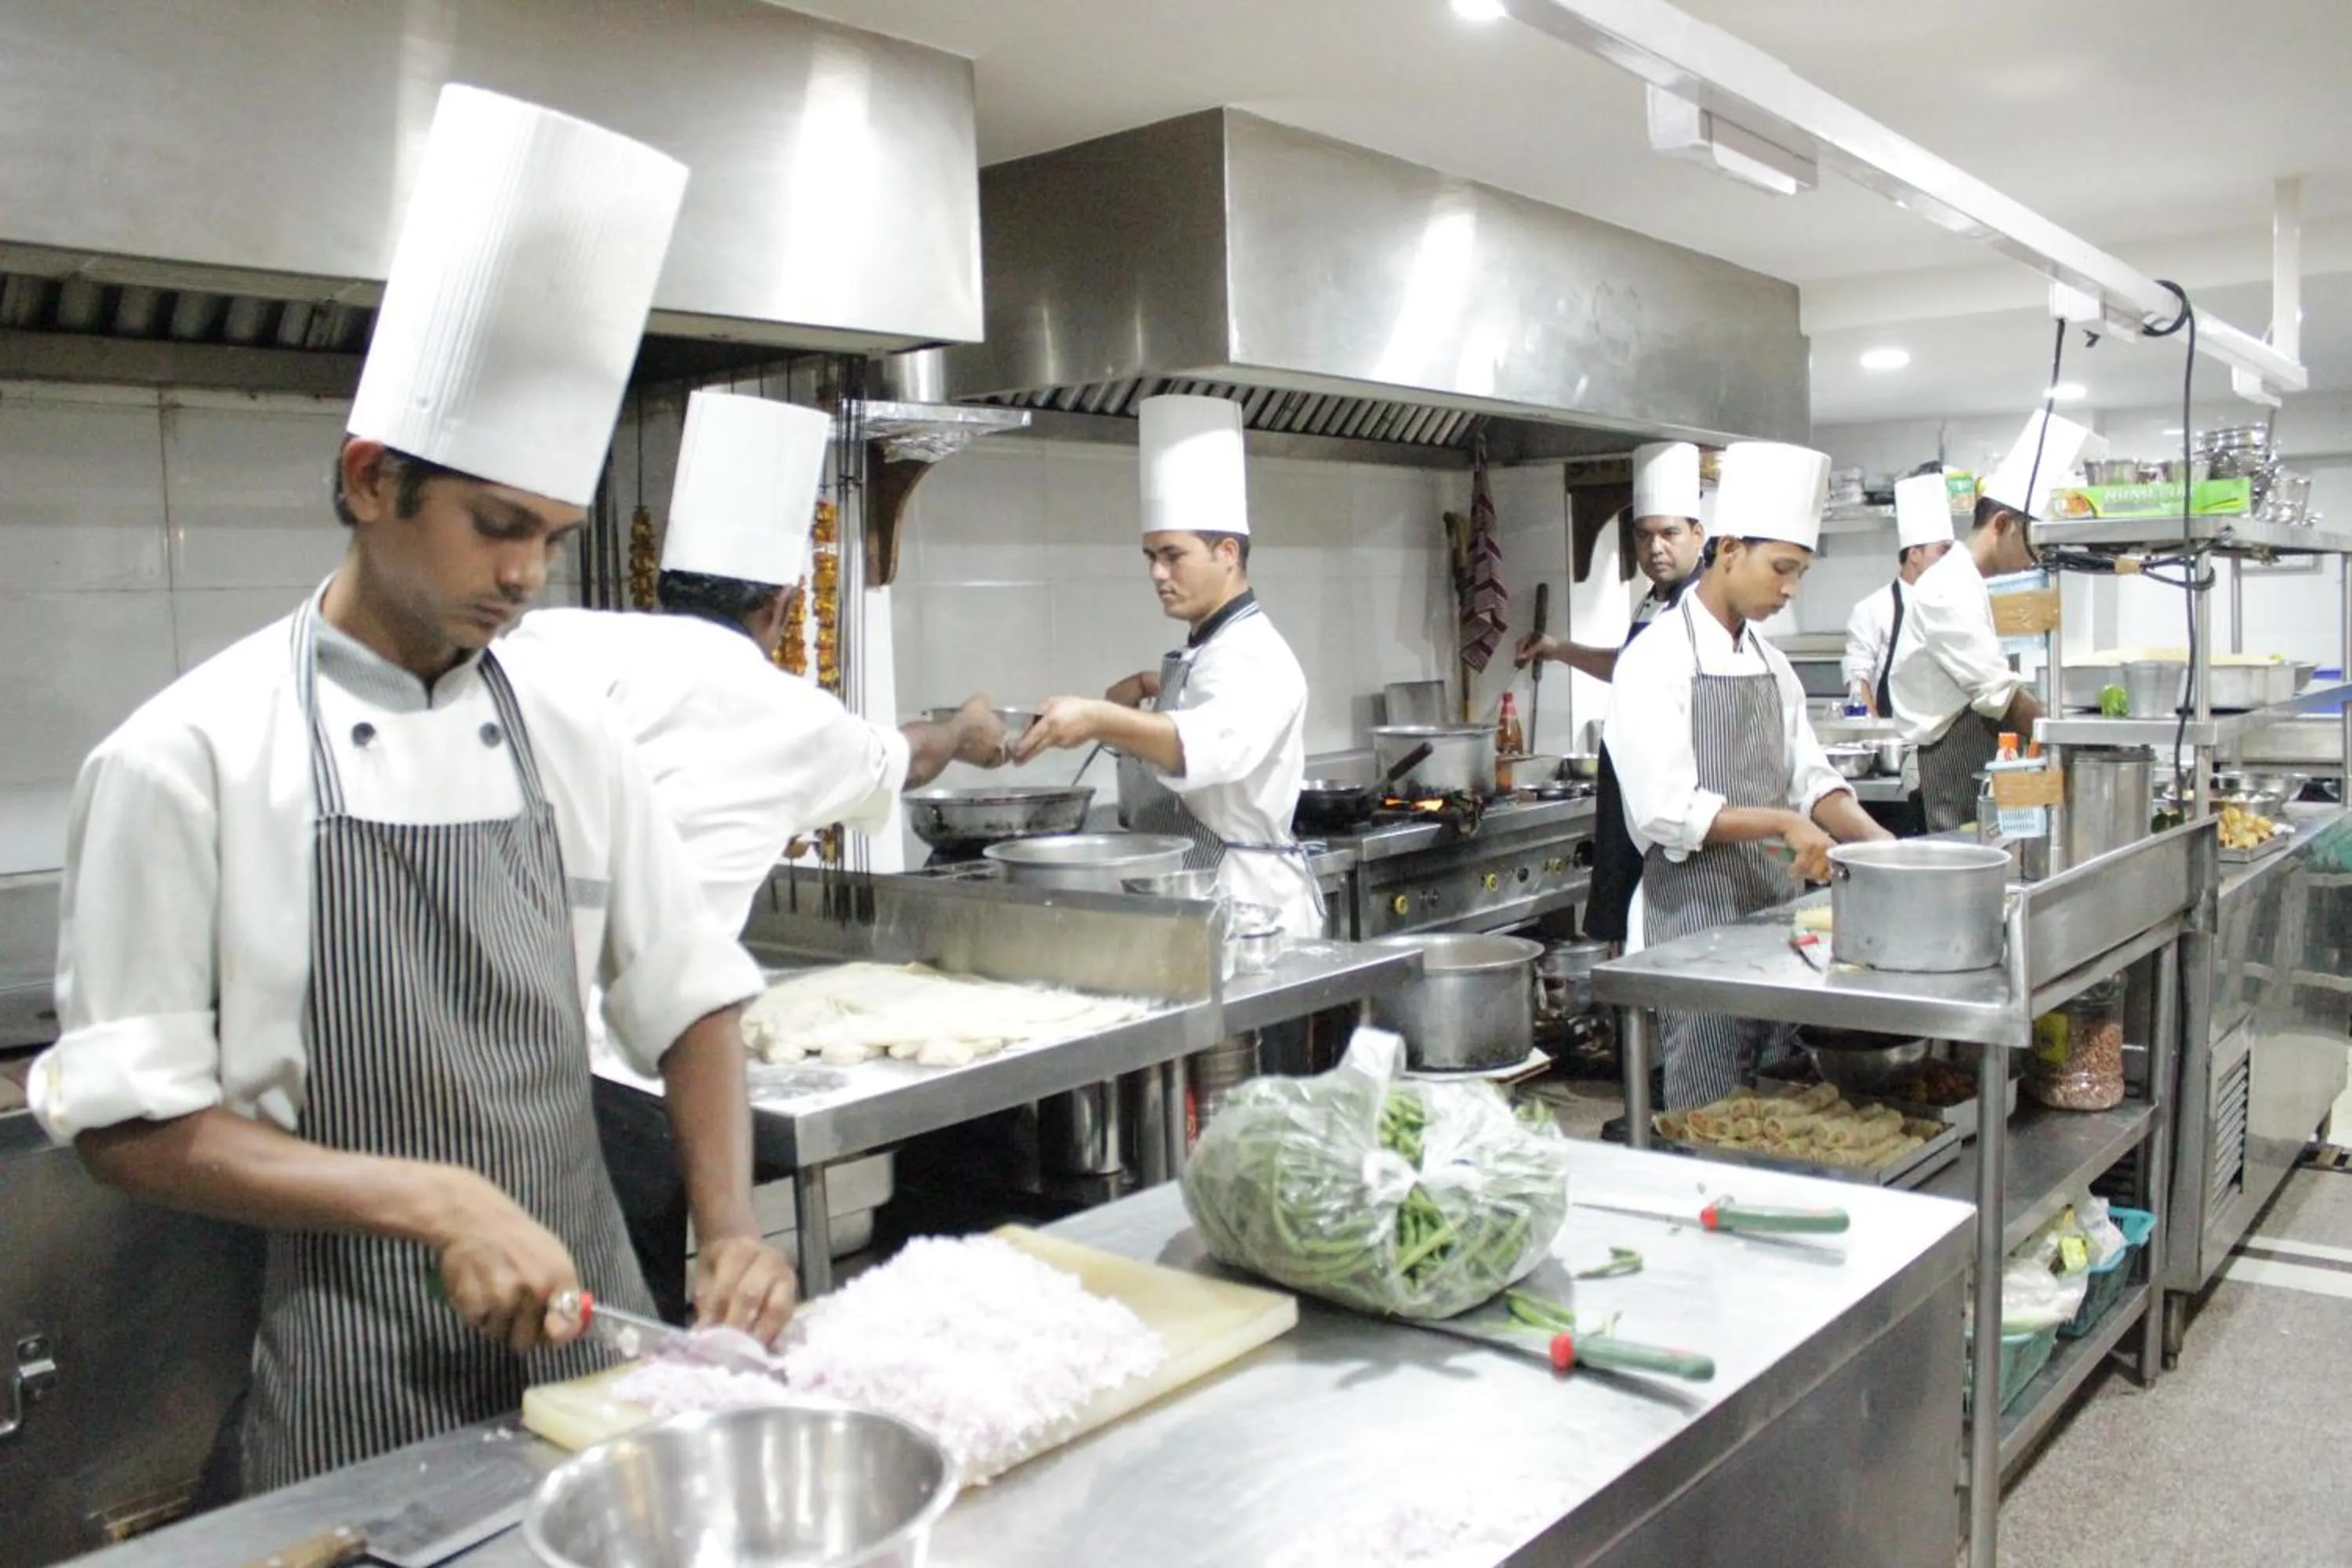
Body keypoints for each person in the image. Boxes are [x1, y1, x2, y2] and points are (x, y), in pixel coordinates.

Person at [24, 86, 793, 1493]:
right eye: (497, 526)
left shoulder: (566, 722)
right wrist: (430, 1200)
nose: (525, 575)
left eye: (552, 536)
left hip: (593, 1336)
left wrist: (731, 1227)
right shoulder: (188, 755)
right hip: (348, 1358)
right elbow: (132, 1130)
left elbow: (688, 994)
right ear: (373, 480)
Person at [499, 388, 1009, 1323]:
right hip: (625, 1093)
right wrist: (966, 728)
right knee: (616, 1349)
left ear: (664, 583)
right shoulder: (791, 713)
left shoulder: (549, 641)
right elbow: (904, 755)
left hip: (486, 1070)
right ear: (781, 606)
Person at [1606, 441, 1893, 1109]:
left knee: (1783, 1101)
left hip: (1774, 919)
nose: (1790, 589)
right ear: (1730, 550)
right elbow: (1664, 808)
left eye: (1801, 574)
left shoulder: (1772, 663)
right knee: (1707, 1111)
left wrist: (1879, 844)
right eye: (1782, 569)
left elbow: (1811, 777)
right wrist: (1784, 824)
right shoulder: (1654, 660)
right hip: (1693, 922)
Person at [1012, 394, 1318, 937]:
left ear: (1227, 553)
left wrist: (1097, 718)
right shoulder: (1216, 646)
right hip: (1212, 893)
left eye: (1173, 556)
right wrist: (1150, 683)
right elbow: (1217, 697)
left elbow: (1206, 747)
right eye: (1151, 557)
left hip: (1250, 906)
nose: (1157, 573)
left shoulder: (1252, 653)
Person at [1514, 441, 1706, 946]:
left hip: (1670, 798)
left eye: (1669, 534)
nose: (1655, 548)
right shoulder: (1653, 601)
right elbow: (1628, 667)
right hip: (1629, 787)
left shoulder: (1702, 608)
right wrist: (1558, 649)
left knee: (1665, 930)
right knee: (1631, 926)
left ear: (1698, 534)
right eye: (1643, 535)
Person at [1886, 412, 2102, 833]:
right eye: (2032, 542)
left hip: (1971, 750)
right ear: (2002, 525)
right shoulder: (1947, 588)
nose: (2035, 558)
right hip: (1950, 761)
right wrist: (2070, 746)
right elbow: (1999, 696)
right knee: (1965, 862)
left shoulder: (1970, 582)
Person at [1842, 469, 1958, 716]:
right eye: (1942, 551)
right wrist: (1878, 733)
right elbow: (1858, 680)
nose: (1950, 560)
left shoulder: (1955, 604)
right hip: (1892, 731)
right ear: (1914, 555)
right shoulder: (1873, 609)